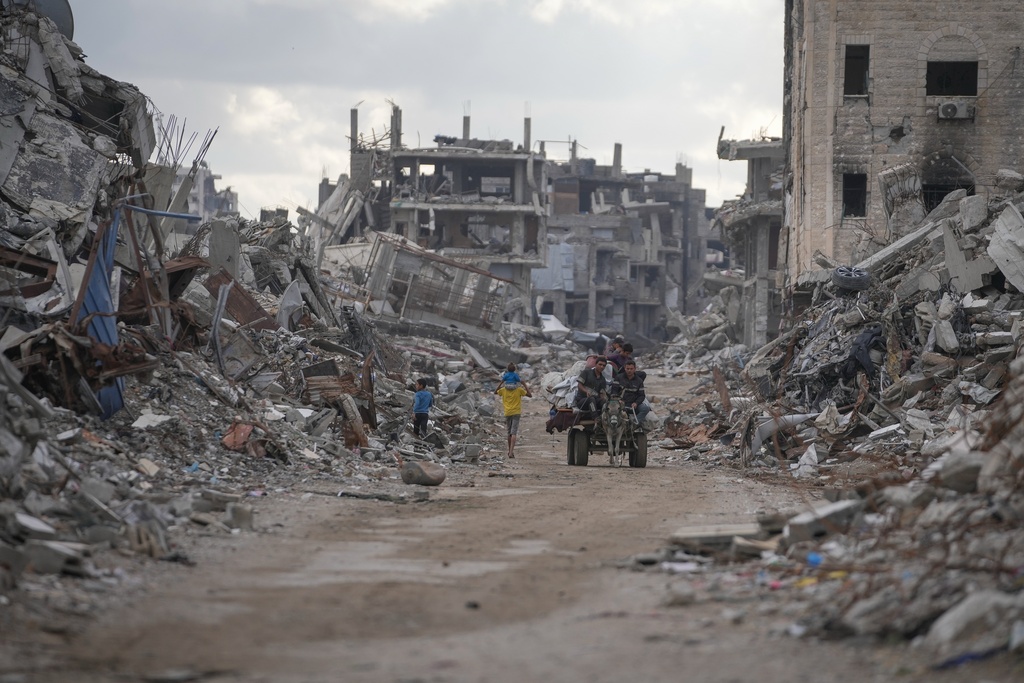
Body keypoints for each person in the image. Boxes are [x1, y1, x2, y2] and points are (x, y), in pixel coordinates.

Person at [495, 378, 532, 458]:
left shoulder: (503, 390)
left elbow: (495, 392)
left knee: (509, 432)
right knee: (514, 432)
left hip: (507, 412)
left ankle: (509, 451)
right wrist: (524, 384)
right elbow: (530, 395)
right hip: (516, 413)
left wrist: (501, 382)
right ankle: (511, 452)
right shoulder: (519, 389)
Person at [611, 359, 650, 427]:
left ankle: (633, 424)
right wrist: (618, 400)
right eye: (627, 368)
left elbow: (641, 395)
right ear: (625, 368)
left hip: (633, 404)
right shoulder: (619, 378)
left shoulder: (639, 381)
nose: (629, 370)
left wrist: (636, 403)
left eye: (631, 369)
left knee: (645, 408)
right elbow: (614, 391)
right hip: (620, 404)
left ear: (635, 369)